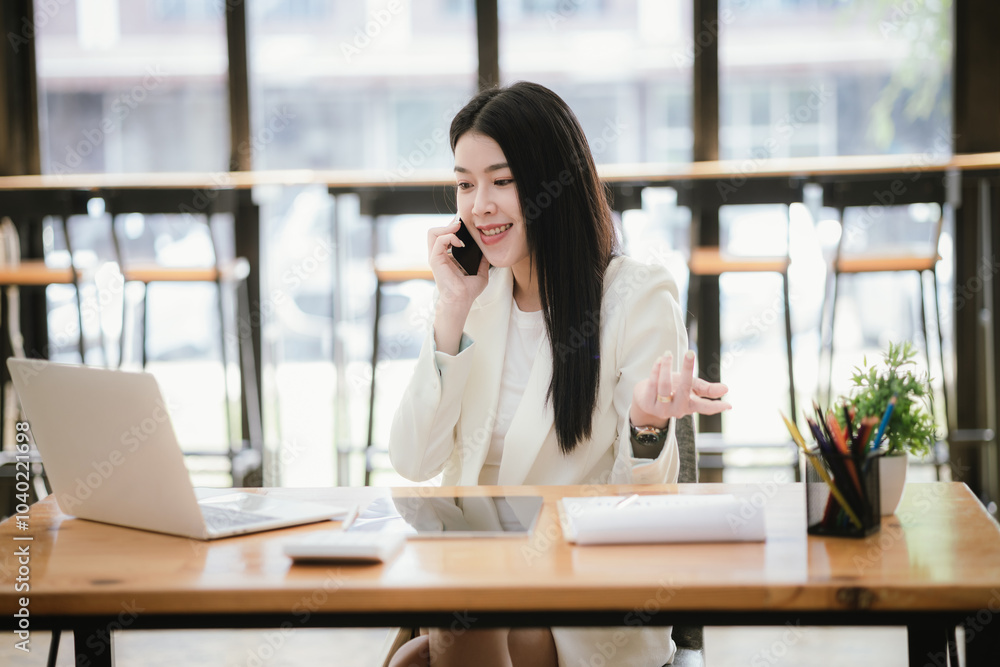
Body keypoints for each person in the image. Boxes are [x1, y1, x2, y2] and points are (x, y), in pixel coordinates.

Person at [387, 82, 731, 667]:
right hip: (473, 573)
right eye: (465, 184)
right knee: (422, 648)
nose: (479, 206)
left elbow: (640, 508)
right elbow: (414, 460)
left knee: (436, 643)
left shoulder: (635, 297)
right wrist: (450, 308)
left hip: (578, 594)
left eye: (502, 181)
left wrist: (647, 424)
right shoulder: (479, 296)